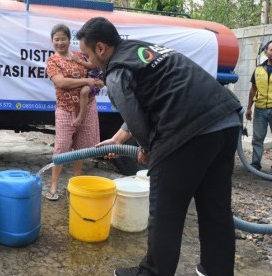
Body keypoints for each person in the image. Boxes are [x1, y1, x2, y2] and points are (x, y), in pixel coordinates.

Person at [76, 17, 241, 276]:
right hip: (226, 120)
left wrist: (146, 147)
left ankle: (153, 272)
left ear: (100, 48)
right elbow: (151, 96)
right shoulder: (141, 51)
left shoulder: (116, 70)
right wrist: (119, 139)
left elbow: (133, 113)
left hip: (187, 130)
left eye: (87, 54)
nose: (87, 61)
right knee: (216, 208)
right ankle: (216, 269)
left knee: (166, 212)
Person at [44, 23, 103, 201]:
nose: (60, 42)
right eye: (57, 39)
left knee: (81, 148)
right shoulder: (52, 61)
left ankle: (75, 184)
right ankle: (53, 186)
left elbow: (96, 70)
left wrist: (97, 82)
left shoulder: (80, 56)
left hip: (87, 107)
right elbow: (61, 83)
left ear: (70, 40)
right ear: (52, 41)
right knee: (61, 148)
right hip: (65, 109)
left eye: (63, 39)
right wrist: (88, 80)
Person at [246, 40, 272, 171]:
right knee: (257, 138)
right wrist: (249, 108)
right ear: (266, 52)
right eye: (271, 50)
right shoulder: (258, 70)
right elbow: (253, 89)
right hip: (260, 109)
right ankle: (255, 164)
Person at [71, 54, 104, 127]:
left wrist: (79, 61)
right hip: (84, 79)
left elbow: (92, 65)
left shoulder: (94, 52)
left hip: (95, 79)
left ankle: (81, 117)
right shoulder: (80, 53)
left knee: (84, 92)